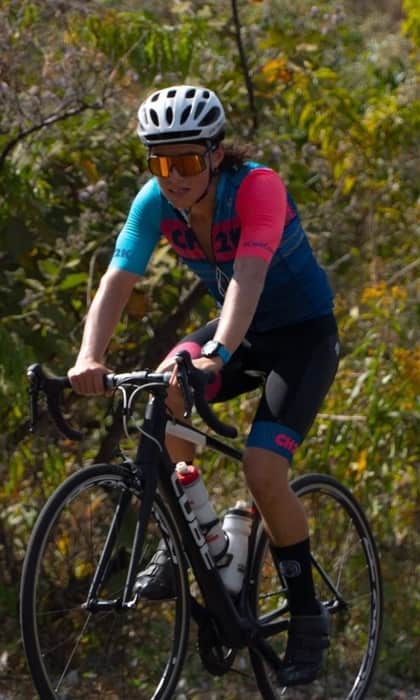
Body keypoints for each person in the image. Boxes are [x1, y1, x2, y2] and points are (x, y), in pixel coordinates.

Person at [67, 85, 338, 686]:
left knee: (264, 470)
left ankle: (306, 615)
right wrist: (90, 355)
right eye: (162, 164)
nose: (176, 177)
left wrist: (217, 352)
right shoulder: (154, 203)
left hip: (300, 337)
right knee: (162, 392)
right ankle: (202, 538)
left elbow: (249, 273)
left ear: (215, 155)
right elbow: (118, 278)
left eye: (188, 161)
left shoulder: (258, 187)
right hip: (238, 332)